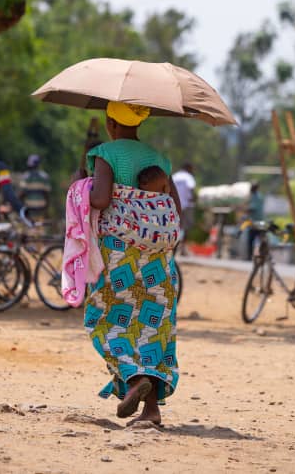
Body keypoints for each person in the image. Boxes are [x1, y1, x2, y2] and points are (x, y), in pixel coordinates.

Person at [82, 101, 182, 425]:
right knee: (151, 328)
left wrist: (79, 187)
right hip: (157, 262)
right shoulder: (160, 159)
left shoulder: (105, 154)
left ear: (111, 121)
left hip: (119, 257)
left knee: (110, 319)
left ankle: (131, 377)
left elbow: (100, 199)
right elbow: (175, 210)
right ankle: (151, 410)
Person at [19, 153, 52, 221]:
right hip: (41, 210)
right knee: (40, 229)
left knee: (30, 229)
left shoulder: (25, 177)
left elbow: (22, 194)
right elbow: (47, 195)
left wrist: (20, 207)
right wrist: (47, 210)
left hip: (29, 210)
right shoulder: (44, 177)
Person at [171, 162, 197, 237]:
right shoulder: (188, 176)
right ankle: (182, 246)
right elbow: (191, 187)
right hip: (186, 205)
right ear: (188, 168)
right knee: (186, 227)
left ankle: (175, 244)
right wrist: (194, 198)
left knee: (176, 225)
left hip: (174, 204)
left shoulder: (175, 176)